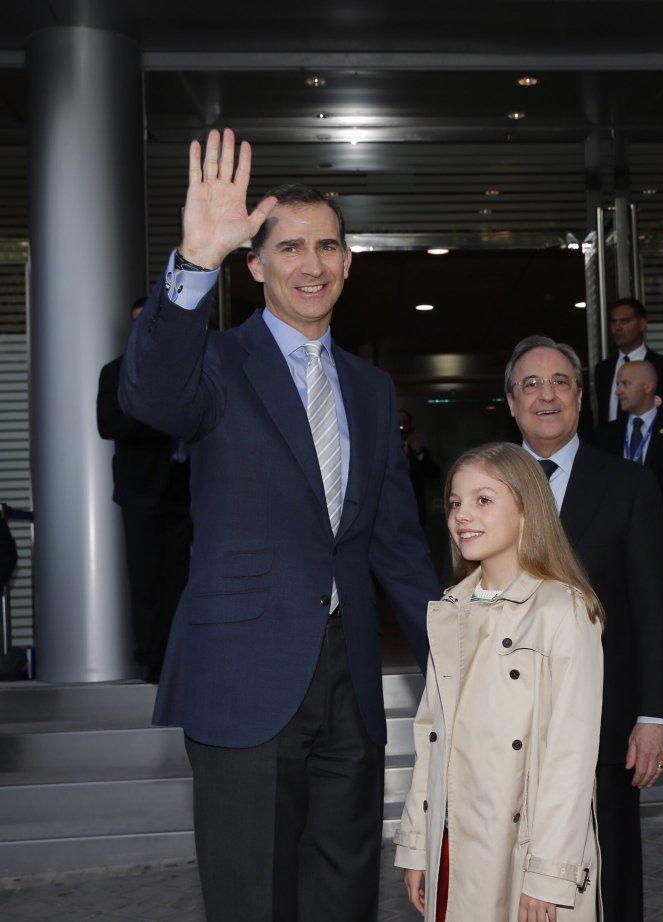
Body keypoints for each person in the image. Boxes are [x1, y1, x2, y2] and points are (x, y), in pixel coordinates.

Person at [119, 129, 440, 922]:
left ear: (348, 262)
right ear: (255, 264)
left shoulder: (370, 389)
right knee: (251, 897)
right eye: (289, 247)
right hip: (242, 674)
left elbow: (395, 541)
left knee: (343, 889)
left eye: (327, 246)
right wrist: (195, 264)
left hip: (350, 679)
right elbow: (150, 397)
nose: (312, 263)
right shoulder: (216, 365)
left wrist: (451, 653)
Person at [505, 334, 663, 920]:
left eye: (560, 382)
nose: (545, 395)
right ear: (510, 403)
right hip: (507, 717)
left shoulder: (629, 486)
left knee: (610, 868)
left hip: (603, 717)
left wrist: (654, 717)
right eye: (530, 384)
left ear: (580, 397)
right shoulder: (483, 488)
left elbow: (653, 608)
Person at [395, 442, 604, 922]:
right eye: (454, 502)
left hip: (525, 848)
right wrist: (416, 845)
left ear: (526, 509)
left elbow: (570, 757)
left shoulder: (565, 609)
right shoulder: (450, 610)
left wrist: (548, 873)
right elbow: (430, 738)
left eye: (483, 500)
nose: (462, 516)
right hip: (453, 845)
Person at [97, 296, 192, 684]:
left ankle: (177, 656)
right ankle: (150, 660)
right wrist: (163, 423)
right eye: (138, 321)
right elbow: (110, 425)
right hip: (139, 493)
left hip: (181, 491)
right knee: (145, 581)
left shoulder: (181, 369)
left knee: (179, 579)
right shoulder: (115, 372)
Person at [601, 360, 663, 591]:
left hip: (662, 550)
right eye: (617, 384)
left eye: (625, 383)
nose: (618, 391)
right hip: (615, 550)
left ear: (647, 386)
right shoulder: (606, 434)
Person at [592, 297, 663, 428]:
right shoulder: (603, 369)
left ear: (642, 324)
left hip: (655, 444)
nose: (618, 327)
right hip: (610, 445)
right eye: (613, 322)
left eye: (625, 321)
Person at [399, 409, 440, 525]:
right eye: (398, 422)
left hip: (415, 505)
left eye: (404, 422)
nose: (401, 426)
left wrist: (419, 453)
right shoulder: (386, 449)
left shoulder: (419, 449)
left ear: (410, 425)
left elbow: (433, 473)